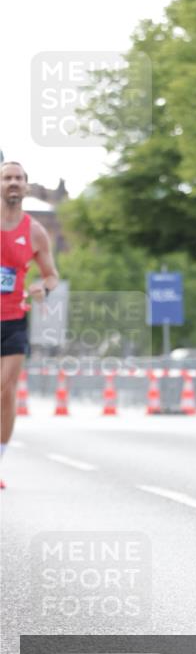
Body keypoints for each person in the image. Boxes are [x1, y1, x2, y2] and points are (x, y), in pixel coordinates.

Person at [1, 161, 59, 486]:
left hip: (13, 320)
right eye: (7, 178)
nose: (12, 183)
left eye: (18, 179)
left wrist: (42, 288)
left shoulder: (35, 231)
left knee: (6, 392)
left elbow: (52, 275)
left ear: (26, 186)